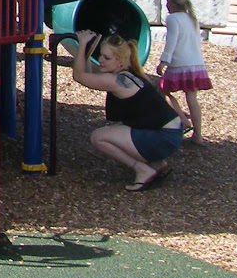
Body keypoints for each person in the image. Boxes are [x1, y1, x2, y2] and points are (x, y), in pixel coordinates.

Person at [71, 27, 184, 192]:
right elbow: (87, 75)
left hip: (163, 138)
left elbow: (80, 76)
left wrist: (81, 45)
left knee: (99, 137)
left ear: (120, 62)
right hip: (170, 134)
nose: (101, 60)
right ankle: (157, 163)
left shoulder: (116, 81)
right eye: (101, 55)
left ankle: (142, 169)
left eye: (106, 57)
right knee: (114, 130)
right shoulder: (127, 75)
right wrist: (88, 48)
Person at [157, 0, 212, 143]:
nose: (167, 6)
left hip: (179, 64)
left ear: (173, 4)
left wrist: (163, 62)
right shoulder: (192, 18)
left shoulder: (173, 19)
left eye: (168, 2)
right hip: (195, 64)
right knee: (191, 97)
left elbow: (171, 42)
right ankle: (198, 135)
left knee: (162, 91)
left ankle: (182, 119)